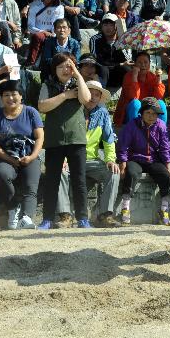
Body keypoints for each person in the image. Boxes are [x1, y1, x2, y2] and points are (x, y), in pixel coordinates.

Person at [36, 53, 92, 229]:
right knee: (51, 181)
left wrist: (78, 75)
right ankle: (47, 219)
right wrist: (65, 95)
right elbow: (42, 106)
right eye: (61, 67)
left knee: (79, 180)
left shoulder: (78, 83)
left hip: (76, 139)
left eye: (69, 66)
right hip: (54, 139)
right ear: (54, 69)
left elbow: (87, 99)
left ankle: (83, 218)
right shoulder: (47, 84)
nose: (65, 70)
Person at [56, 80, 122, 228]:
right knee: (58, 169)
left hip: (91, 160)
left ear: (100, 98)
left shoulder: (103, 113)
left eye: (96, 95)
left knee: (113, 172)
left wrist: (110, 159)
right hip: (71, 158)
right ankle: (65, 216)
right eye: (89, 93)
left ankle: (105, 215)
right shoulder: (71, 109)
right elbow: (63, 136)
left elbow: (108, 139)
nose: (92, 97)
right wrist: (64, 158)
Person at [0, 80, 43, 230]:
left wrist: (32, 157)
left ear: (21, 96)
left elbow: (39, 137)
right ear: (1, 97)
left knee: (31, 185)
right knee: (2, 174)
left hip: (30, 156)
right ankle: (13, 208)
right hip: (6, 157)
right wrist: (8, 158)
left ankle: (26, 218)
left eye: (14, 94)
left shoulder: (31, 112)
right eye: (6, 95)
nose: (10, 98)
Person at [117, 97, 170, 225]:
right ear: (142, 113)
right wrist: (123, 164)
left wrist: (169, 167)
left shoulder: (161, 126)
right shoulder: (132, 125)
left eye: (154, 114)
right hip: (136, 158)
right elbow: (124, 145)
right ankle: (125, 208)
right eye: (148, 113)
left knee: (165, 175)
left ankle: (164, 209)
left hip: (153, 159)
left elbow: (165, 147)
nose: (151, 116)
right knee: (131, 173)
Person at [113, 51, 166, 126]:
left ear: (149, 64)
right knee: (136, 103)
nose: (143, 65)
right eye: (139, 63)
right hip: (130, 112)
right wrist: (134, 77)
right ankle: (136, 133)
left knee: (161, 103)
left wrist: (159, 80)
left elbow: (158, 97)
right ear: (135, 64)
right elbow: (133, 97)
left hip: (148, 110)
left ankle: (161, 132)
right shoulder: (128, 76)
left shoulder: (153, 76)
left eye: (145, 62)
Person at [89, 13, 133, 86]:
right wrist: (119, 64)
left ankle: (131, 95)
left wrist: (122, 39)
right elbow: (96, 60)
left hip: (118, 73)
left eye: (111, 25)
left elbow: (128, 60)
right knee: (103, 68)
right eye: (105, 25)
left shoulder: (123, 39)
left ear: (116, 26)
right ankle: (101, 94)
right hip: (103, 73)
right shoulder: (95, 39)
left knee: (127, 68)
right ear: (102, 27)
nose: (108, 28)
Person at [26, 0, 64, 66]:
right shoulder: (35, 7)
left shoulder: (60, 8)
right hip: (38, 32)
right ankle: (31, 63)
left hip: (54, 33)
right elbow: (30, 27)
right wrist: (43, 32)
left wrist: (53, 34)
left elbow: (59, 24)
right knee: (38, 36)